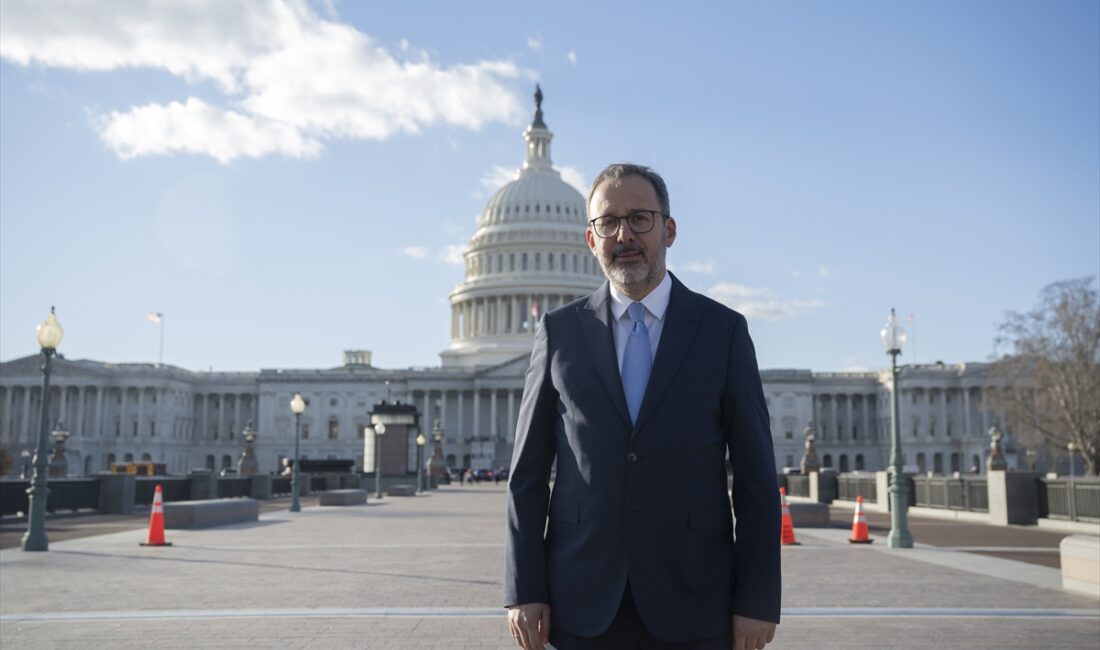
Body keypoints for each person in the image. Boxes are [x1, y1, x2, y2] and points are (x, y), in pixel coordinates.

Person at [505, 164, 781, 649]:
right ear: (591, 240)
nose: (623, 234)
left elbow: (756, 477)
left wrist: (756, 600)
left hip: (696, 599)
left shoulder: (723, 331)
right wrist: (525, 590)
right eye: (608, 222)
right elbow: (527, 476)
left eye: (639, 218)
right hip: (580, 600)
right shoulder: (559, 332)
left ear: (669, 230)